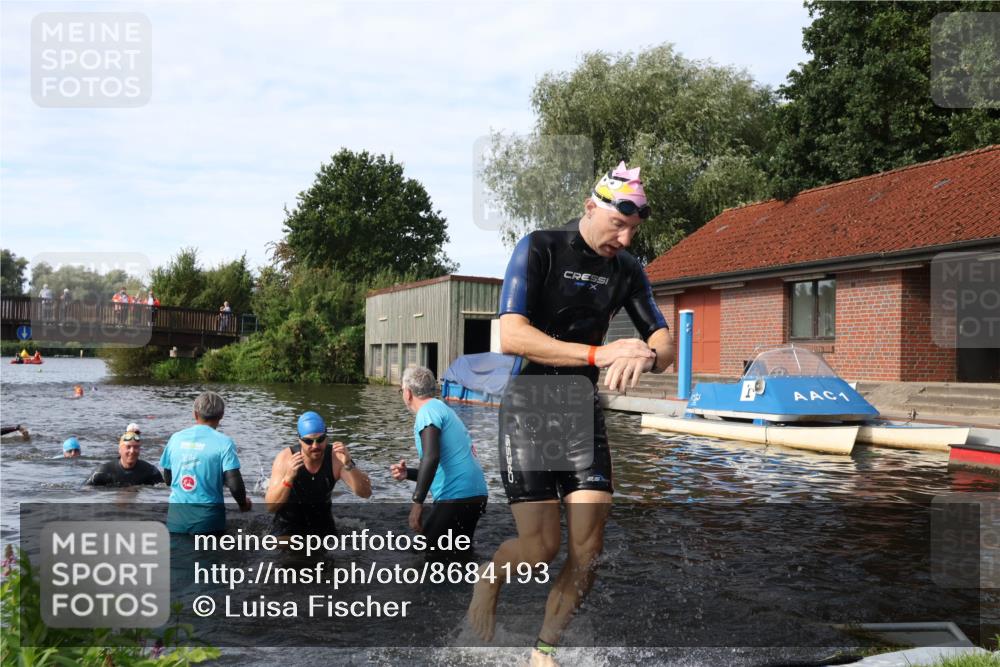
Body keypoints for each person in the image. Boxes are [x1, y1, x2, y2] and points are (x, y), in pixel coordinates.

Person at [467, 162, 674, 664]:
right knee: (540, 548)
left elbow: (666, 348)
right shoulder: (540, 247)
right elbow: (512, 334)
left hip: (581, 411)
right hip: (530, 407)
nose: (624, 238)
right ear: (590, 208)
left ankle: (544, 650)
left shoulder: (627, 269)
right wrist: (599, 354)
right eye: (617, 225)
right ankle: (491, 576)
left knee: (588, 548)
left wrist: (645, 354)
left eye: (633, 230)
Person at [390, 366, 488, 558]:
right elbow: (441, 463)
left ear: (408, 393)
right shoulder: (442, 408)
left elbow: (431, 457)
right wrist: (408, 473)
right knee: (459, 560)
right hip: (475, 494)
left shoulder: (426, 412)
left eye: (401, 391)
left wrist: (417, 503)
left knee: (423, 557)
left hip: (456, 496)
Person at [265, 411, 371, 539]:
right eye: (309, 441)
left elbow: (365, 493)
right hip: (288, 525)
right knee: (284, 547)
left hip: (323, 524)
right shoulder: (285, 458)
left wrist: (349, 464)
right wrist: (288, 478)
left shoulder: (337, 458)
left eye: (320, 440)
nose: (315, 446)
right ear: (300, 440)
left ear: (326, 437)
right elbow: (270, 506)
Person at [160, 391, 251, 534]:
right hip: (209, 523)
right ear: (221, 415)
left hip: (175, 521)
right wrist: (243, 504)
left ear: (195, 414)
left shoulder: (175, 438)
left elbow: (168, 478)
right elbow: (234, 484)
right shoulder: (224, 443)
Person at [86, 430, 163, 487]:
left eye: (136, 447)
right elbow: (85, 492)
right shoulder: (102, 472)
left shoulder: (151, 472)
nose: (132, 451)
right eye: (128, 447)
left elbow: (163, 493)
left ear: (140, 450)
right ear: (120, 450)